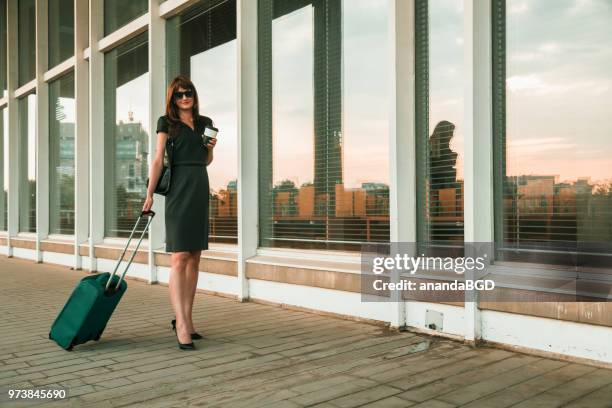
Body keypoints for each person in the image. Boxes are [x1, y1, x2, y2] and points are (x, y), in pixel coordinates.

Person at [142, 75, 217, 350]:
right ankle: (181, 324)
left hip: (199, 185)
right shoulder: (167, 123)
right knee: (180, 256)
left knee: (195, 256)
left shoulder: (205, 123)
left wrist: (210, 150)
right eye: (180, 94)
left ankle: (186, 318)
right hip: (178, 189)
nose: (185, 97)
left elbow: (206, 160)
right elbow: (159, 157)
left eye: (189, 93)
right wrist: (150, 193)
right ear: (172, 98)